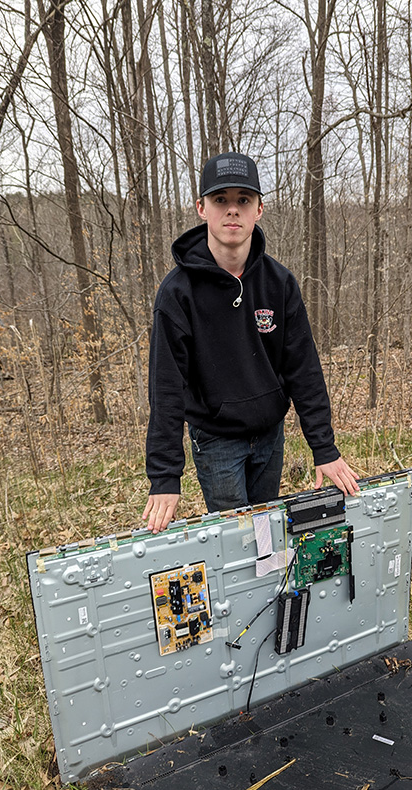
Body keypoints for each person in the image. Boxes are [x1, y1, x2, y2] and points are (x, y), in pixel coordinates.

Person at [143, 153, 359, 533]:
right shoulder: (177, 294)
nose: (232, 211)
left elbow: (303, 369)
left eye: (243, 200)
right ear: (201, 208)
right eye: (220, 200)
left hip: (269, 434)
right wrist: (165, 477)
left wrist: (323, 447)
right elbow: (166, 387)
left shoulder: (279, 282)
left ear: (259, 209)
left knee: (266, 536)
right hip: (217, 441)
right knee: (238, 541)